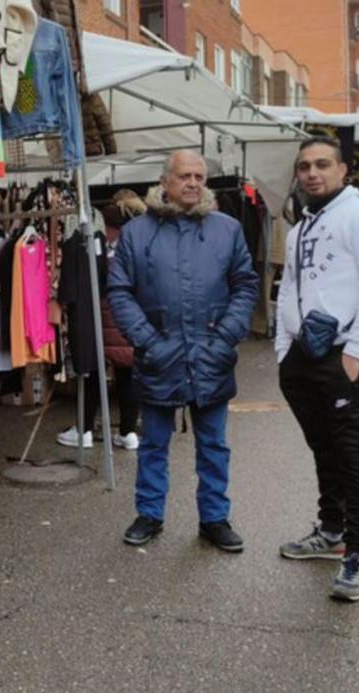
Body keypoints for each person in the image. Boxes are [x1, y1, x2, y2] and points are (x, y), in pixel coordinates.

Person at [107, 151, 259, 552]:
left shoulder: (227, 229)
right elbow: (119, 291)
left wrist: (225, 335)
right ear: (165, 182)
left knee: (213, 444)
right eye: (184, 176)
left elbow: (245, 284)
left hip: (211, 355)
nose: (193, 183)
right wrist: (148, 340)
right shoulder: (137, 232)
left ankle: (214, 518)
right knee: (154, 442)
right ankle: (149, 513)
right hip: (159, 356)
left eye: (199, 176)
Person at [276, 138, 359, 603]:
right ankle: (330, 531)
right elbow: (289, 289)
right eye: (304, 166)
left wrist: (357, 347)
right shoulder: (299, 227)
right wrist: (284, 349)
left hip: (348, 356)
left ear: (343, 169)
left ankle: (356, 553)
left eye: (322, 165)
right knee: (323, 448)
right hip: (303, 359)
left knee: (352, 453)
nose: (312, 173)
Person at [57, 189, 143, 451]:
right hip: (132, 315)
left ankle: (84, 428)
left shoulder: (101, 237)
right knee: (128, 372)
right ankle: (128, 432)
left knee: (93, 370)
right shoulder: (143, 237)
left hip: (101, 313)